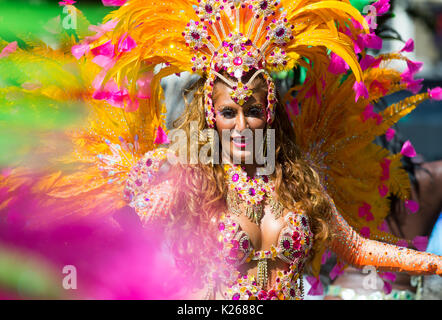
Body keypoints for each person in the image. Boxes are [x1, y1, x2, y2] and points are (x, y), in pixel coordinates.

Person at [1, 0, 441, 300]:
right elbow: (115, 244)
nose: (241, 124)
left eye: (253, 110)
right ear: (211, 115)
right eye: (229, 112)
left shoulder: (298, 179)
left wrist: (433, 265)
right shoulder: (187, 180)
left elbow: (358, 250)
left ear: (270, 112)